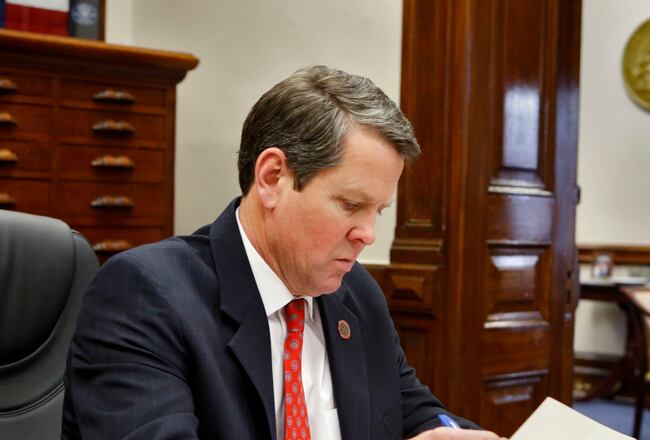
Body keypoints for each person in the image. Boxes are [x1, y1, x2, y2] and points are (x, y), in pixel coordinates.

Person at [63, 66, 504, 440]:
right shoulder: (145, 295)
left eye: (378, 211)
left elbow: (413, 412)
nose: (368, 235)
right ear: (273, 178)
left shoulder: (356, 294)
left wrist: (446, 430)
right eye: (351, 205)